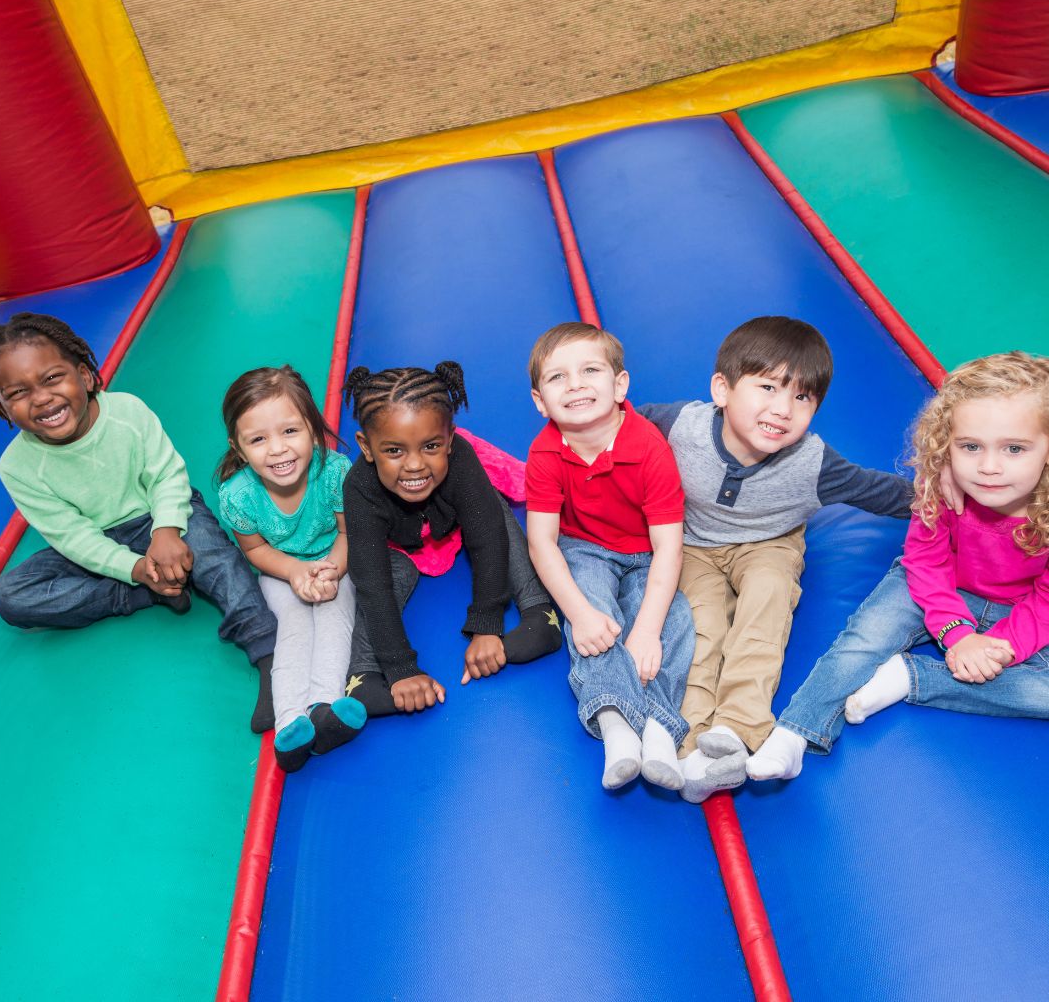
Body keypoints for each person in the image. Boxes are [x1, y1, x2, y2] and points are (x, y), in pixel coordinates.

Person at [637, 316, 914, 802]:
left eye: (802, 397)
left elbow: (884, 493)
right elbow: (614, 430)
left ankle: (737, 730)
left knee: (765, 608)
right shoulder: (678, 424)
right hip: (694, 547)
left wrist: (957, 496)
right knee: (700, 627)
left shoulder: (813, 462)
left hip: (770, 544)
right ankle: (689, 741)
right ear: (721, 390)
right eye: (767, 387)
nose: (783, 409)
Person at [748, 351, 1049, 782]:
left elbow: (1045, 601)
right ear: (948, 444)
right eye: (970, 447)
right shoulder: (944, 483)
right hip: (933, 583)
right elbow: (926, 562)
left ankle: (911, 679)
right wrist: (957, 634)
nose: (988, 467)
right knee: (862, 640)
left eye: (1015, 449)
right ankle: (793, 734)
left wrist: (1000, 648)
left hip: (1020, 607)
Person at [0, 312, 277, 732]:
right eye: (18, 392)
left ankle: (269, 654)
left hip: (161, 514)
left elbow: (167, 476)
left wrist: (166, 532)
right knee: (11, 596)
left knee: (220, 562)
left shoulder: (127, 412)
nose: (40, 398)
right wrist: (135, 570)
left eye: (53, 379)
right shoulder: (17, 466)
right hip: (100, 542)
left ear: (86, 376)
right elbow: (72, 536)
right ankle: (148, 591)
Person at [525, 322, 695, 792]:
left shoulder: (649, 450)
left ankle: (660, 729)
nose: (575, 384)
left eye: (590, 370)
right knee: (591, 611)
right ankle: (615, 723)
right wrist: (578, 614)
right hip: (584, 547)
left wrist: (646, 631)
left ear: (620, 385)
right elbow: (542, 542)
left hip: (645, 552)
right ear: (540, 400)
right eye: (557, 378)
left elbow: (668, 547)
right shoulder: (544, 453)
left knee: (674, 620)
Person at [341, 361, 561, 717]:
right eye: (394, 451)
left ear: (450, 439)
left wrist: (487, 626)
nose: (414, 465)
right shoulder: (360, 488)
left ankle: (540, 610)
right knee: (380, 578)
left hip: (453, 522)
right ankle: (363, 675)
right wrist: (400, 670)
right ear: (366, 447)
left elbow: (487, 539)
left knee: (497, 514)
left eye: (430, 446)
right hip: (399, 545)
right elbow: (372, 582)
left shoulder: (461, 460)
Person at [216, 366, 367, 771]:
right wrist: (293, 572)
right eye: (258, 440)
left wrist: (332, 570)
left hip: (335, 559)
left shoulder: (334, 471)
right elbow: (255, 549)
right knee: (296, 630)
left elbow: (348, 533)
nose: (278, 450)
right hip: (279, 570)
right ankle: (290, 723)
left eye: (289, 432)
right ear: (238, 448)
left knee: (336, 618)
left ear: (313, 429)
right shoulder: (238, 495)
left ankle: (325, 706)